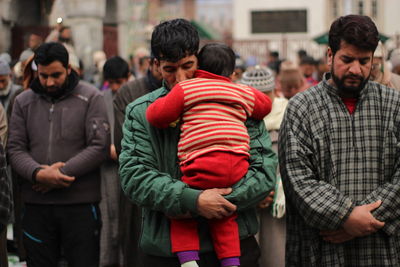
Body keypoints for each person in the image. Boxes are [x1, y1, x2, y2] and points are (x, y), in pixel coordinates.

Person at [119, 18, 277, 267]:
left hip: (237, 245)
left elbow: (264, 171)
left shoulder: (234, 101)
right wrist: (193, 200)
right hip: (168, 252)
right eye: (170, 69)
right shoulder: (142, 112)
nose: (181, 79)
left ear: (199, 61)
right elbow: (134, 178)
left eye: (188, 66)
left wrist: (220, 200)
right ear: (156, 66)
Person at [279, 14, 400, 266]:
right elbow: (299, 180)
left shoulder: (393, 104)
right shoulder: (301, 108)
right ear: (330, 55)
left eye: (364, 61)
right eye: (347, 59)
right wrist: (346, 216)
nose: (356, 69)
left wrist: (362, 221)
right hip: (320, 250)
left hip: (381, 249)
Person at [7, 42, 110, 266]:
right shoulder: (23, 102)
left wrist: (60, 174)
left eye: (56, 75)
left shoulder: (91, 98)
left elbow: (99, 147)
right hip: (37, 206)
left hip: (80, 206)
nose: (49, 82)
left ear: (69, 69)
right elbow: (14, 148)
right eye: (43, 76)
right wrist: (36, 173)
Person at [113, 55, 162, 267]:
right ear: (152, 63)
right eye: (167, 66)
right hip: (140, 196)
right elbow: (128, 145)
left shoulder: (190, 89)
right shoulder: (129, 94)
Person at [240, 66, 287, 267]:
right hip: (244, 213)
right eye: (252, 95)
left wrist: (276, 191)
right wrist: (253, 193)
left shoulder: (290, 115)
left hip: (280, 215)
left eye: (264, 95)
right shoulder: (235, 121)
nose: (258, 101)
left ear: (274, 92)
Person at [99, 56, 130, 267]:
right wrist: (106, 147)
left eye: (120, 82)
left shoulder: (138, 95)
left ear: (128, 78)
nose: (117, 87)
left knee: (128, 222)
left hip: (131, 169)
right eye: (112, 83)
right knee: (108, 221)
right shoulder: (100, 99)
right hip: (107, 170)